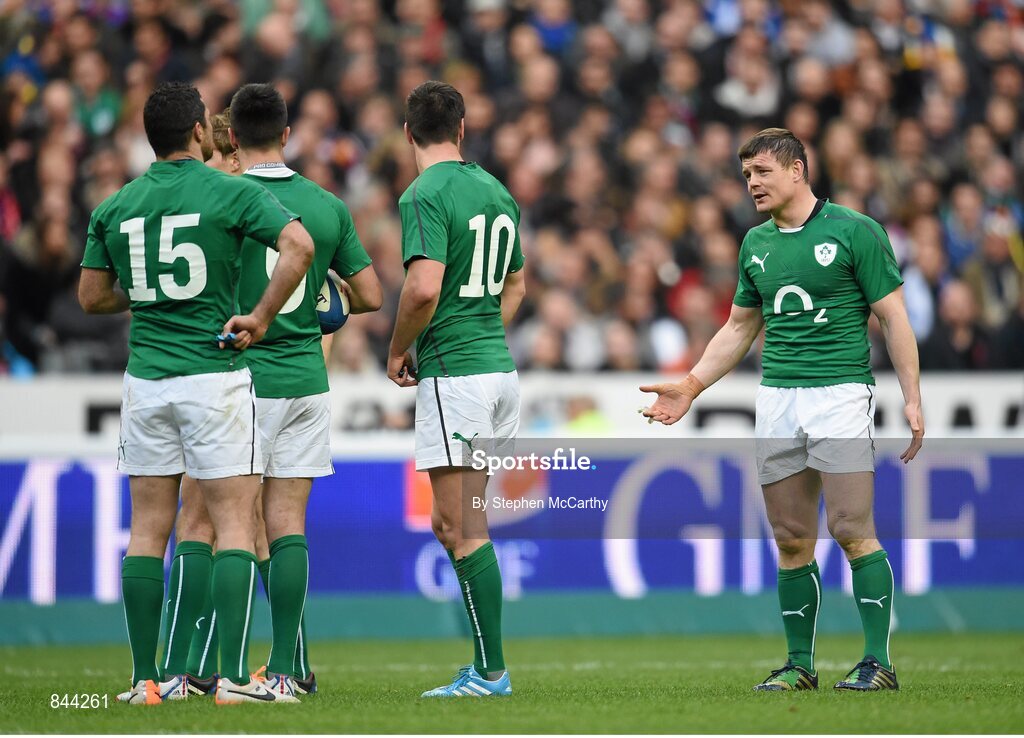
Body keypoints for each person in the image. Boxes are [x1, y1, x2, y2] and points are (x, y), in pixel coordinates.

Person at [641, 128, 924, 692]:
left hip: (840, 393)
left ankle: (877, 662)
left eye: (763, 172)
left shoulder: (855, 231)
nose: (753, 184)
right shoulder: (755, 245)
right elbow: (740, 327)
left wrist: (912, 397)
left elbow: (894, 318)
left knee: (849, 527)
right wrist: (691, 386)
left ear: (799, 170)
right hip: (777, 399)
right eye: (747, 175)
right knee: (792, 536)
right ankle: (799, 665)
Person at [78, 81, 314, 705]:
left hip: (147, 381)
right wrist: (260, 317)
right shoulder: (232, 191)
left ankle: (144, 682)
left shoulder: (117, 205)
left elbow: (91, 296)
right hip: (213, 377)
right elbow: (300, 248)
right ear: (198, 134)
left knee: (148, 529)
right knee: (236, 521)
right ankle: (234, 680)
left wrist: (153, 295)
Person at [169, 84, 382, 700]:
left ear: (231, 138)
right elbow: (368, 296)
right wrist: (324, 291)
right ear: (288, 135)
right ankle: (289, 669)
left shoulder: (222, 198)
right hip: (308, 382)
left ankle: (197, 669)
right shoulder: (326, 205)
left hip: (242, 380)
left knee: (210, 523)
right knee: (286, 525)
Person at [388, 81, 526, 698]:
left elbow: (422, 289)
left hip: (459, 375)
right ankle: (484, 666)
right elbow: (517, 284)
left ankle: (492, 673)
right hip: (499, 372)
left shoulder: (424, 192)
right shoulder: (496, 190)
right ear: (463, 129)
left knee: (462, 526)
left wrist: (397, 349)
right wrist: (484, 332)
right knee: (462, 524)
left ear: (408, 130)